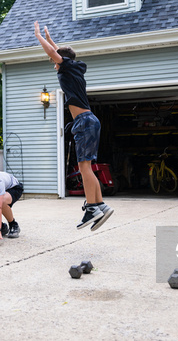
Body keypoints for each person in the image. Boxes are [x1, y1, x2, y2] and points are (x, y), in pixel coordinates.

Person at [34, 21, 114, 231]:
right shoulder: (74, 68)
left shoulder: (67, 67)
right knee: (88, 168)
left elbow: (54, 53)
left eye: (54, 60)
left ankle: (92, 208)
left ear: (60, 60)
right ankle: (100, 205)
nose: (53, 63)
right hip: (90, 121)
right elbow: (59, 51)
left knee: (83, 167)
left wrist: (39, 37)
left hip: (84, 122)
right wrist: (50, 38)